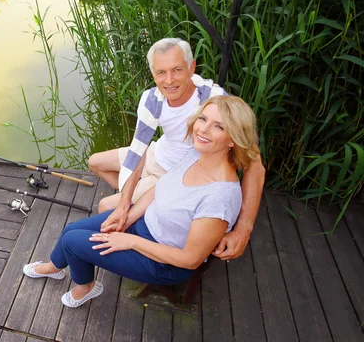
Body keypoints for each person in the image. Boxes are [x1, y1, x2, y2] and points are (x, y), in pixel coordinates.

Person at [23, 95, 260, 307]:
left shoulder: (219, 198)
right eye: (203, 119)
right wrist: (127, 215)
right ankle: (55, 267)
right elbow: (161, 188)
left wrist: (130, 241)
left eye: (218, 126)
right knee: (71, 229)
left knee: (73, 242)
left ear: (233, 139)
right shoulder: (196, 153)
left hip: (163, 262)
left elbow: (190, 260)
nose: (203, 130)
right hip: (144, 223)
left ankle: (86, 287)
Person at [88, 38, 265, 261]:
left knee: (105, 205)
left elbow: (255, 164)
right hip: (157, 153)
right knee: (95, 162)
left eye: (177, 70)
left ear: (192, 68)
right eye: (161, 72)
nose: (169, 80)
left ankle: (142, 206)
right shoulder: (152, 99)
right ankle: (136, 197)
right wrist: (125, 203)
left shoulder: (215, 100)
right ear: (153, 74)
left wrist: (243, 230)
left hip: (176, 173)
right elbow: (138, 151)